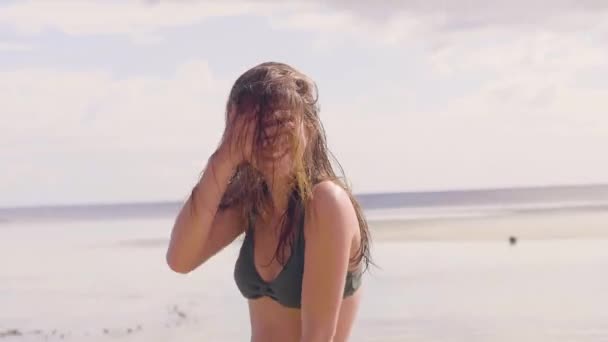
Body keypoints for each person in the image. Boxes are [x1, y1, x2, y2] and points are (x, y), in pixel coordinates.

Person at [166, 61, 372, 342]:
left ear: (309, 127)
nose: (271, 138)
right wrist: (225, 156)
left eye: (281, 123)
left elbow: (318, 338)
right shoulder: (253, 202)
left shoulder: (326, 204)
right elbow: (180, 259)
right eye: (258, 127)